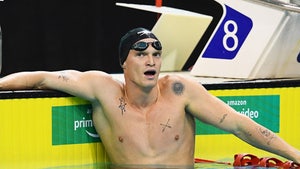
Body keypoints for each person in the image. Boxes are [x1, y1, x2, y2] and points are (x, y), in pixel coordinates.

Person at [0, 27, 299, 168]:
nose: (151, 61)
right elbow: (40, 78)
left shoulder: (179, 91)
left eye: (156, 54)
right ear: (123, 62)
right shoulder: (103, 90)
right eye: (141, 54)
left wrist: (296, 155)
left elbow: (238, 124)